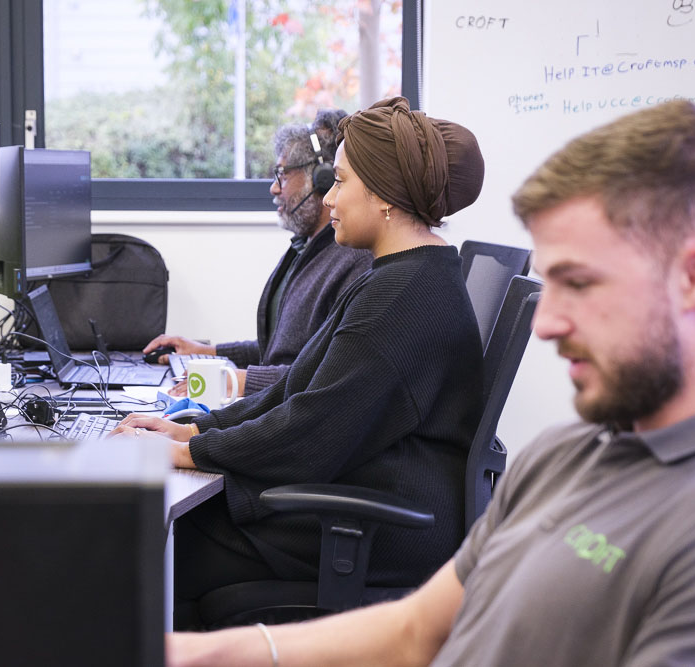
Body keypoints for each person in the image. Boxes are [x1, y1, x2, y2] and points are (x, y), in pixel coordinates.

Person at [164, 99, 695, 666]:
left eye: (582, 282)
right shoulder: (557, 461)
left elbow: (313, 425)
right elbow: (412, 633)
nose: (549, 322)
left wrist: (191, 444)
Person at [116, 97, 487, 629]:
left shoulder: (403, 297)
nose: (328, 196)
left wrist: (188, 452)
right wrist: (191, 428)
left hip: (374, 526)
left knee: (138, 547)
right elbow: (296, 389)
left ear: (383, 195)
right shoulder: (396, 275)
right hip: (359, 494)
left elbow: (309, 433)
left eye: (340, 181)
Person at [143, 109, 371, 397]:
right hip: (271, 406)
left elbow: (324, 377)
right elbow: (278, 350)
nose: (274, 188)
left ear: (321, 179)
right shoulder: (304, 250)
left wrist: (233, 381)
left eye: (283, 175)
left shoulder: (354, 261)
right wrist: (207, 351)